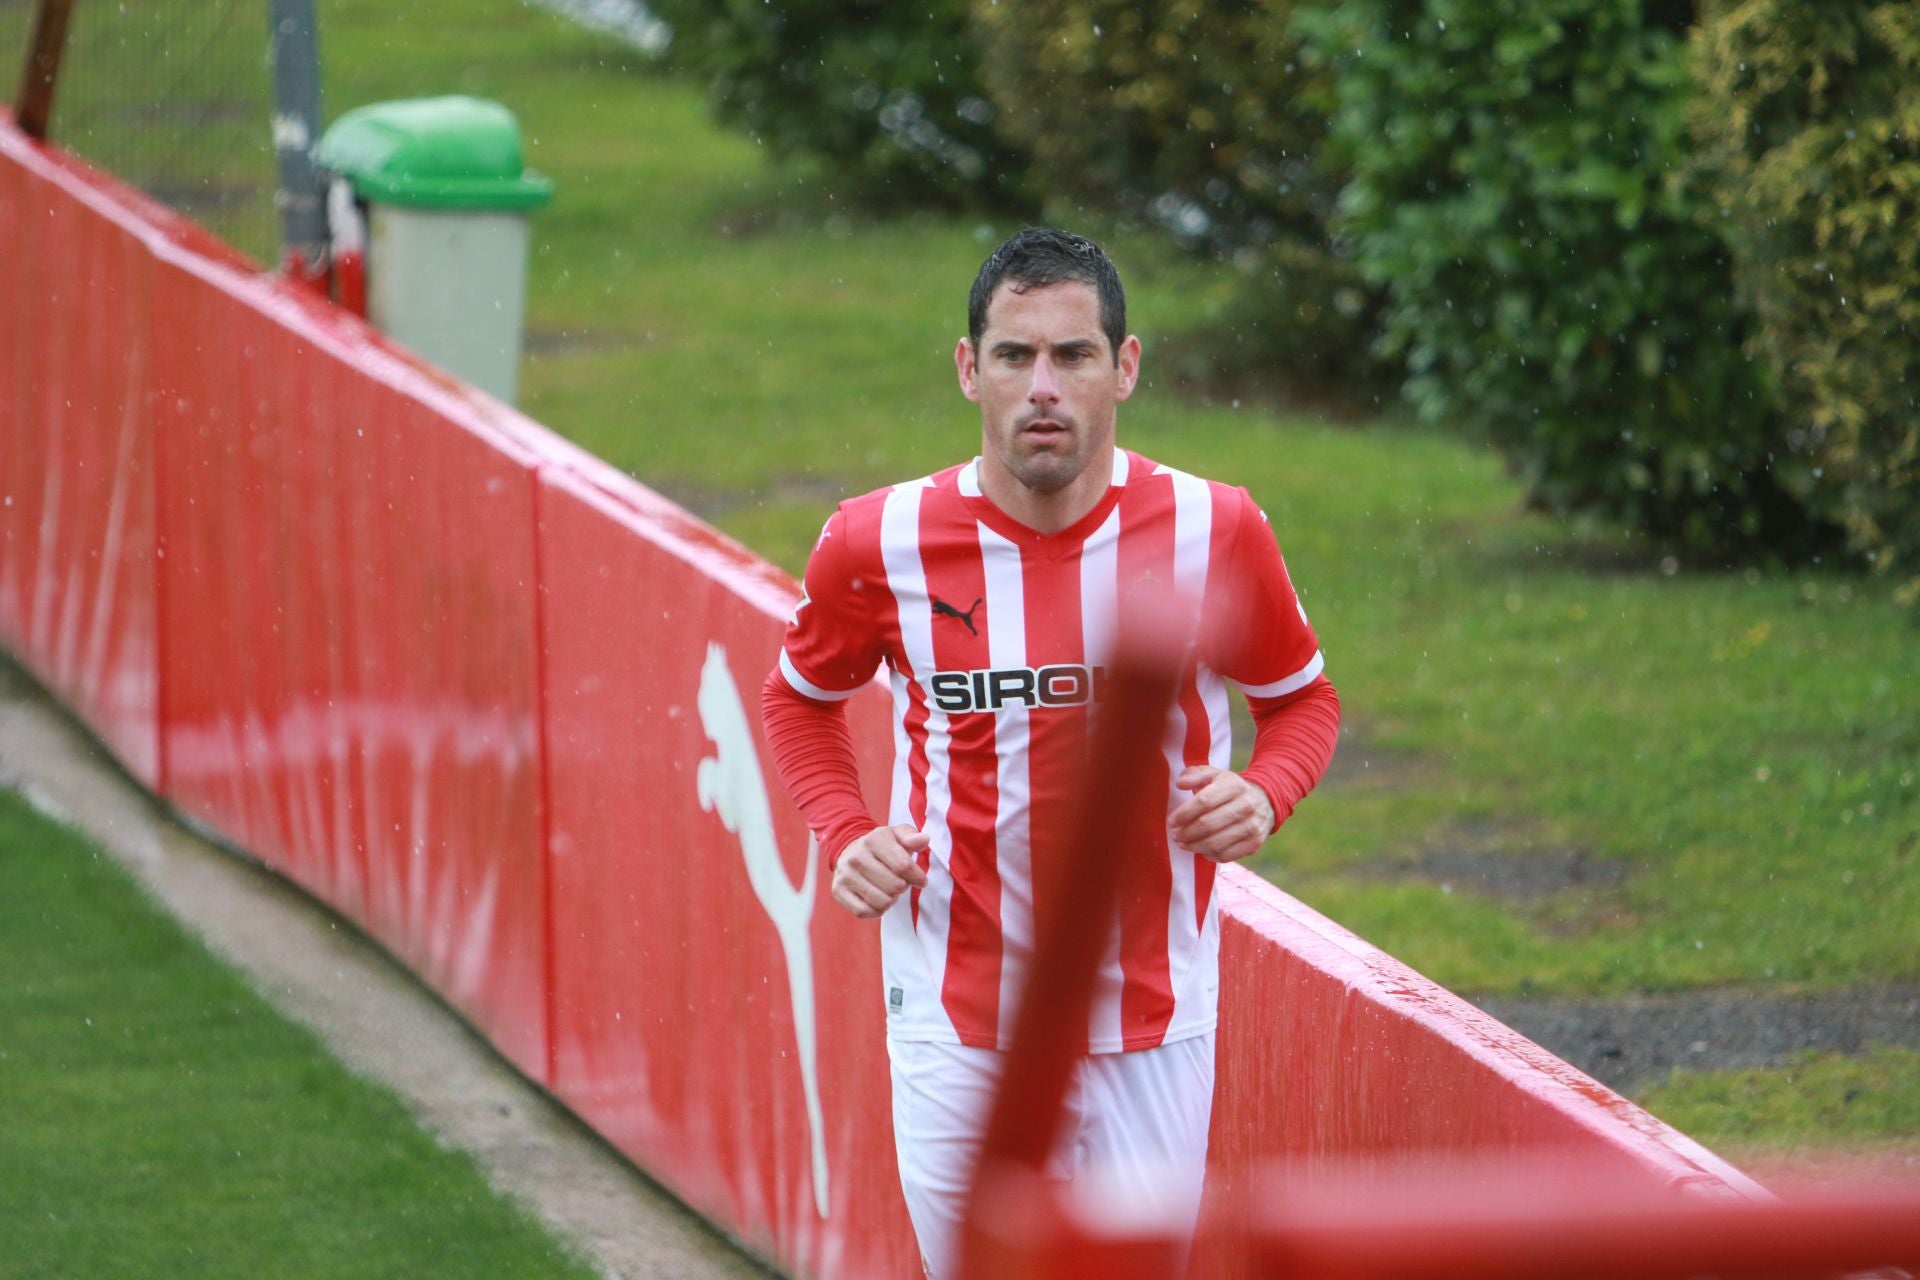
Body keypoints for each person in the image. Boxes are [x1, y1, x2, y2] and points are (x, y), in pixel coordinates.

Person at [761, 227, 1341, 1276]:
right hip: (954, 1009)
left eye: (1073, 355)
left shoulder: (1217, 528)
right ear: (966, 369)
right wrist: (843, 831)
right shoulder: (875, 541)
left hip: (1152, 1015)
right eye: (1014, 355)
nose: (1042, 386)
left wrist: (1266, 790)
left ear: (1124, 368)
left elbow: (1302, 701)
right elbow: (800, 701)